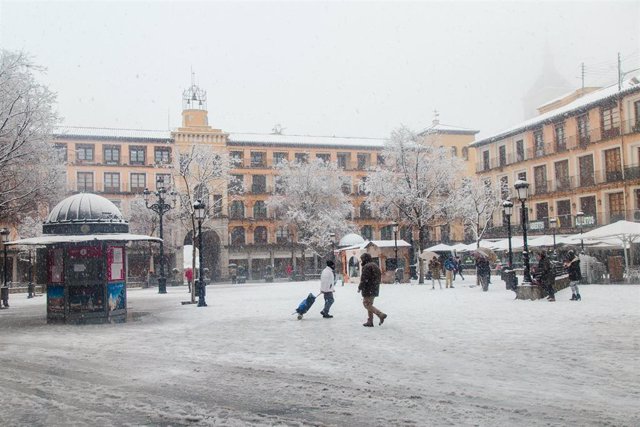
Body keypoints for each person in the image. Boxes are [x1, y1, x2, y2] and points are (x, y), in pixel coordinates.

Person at [358, 253, 387, 327]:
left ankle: (380, 314)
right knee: (369, 304)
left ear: (365, 259)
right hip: (375, 288)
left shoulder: (367, 266)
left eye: (362, 259)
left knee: (366, 304)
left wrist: (360, 287)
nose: (361, 261)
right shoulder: (375, 265)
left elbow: (364, 279)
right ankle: (370, 321)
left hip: (368, 288)